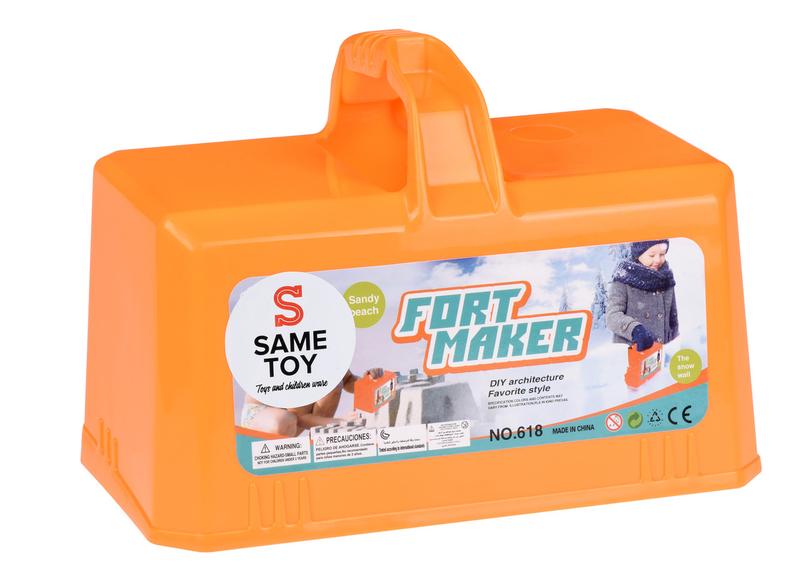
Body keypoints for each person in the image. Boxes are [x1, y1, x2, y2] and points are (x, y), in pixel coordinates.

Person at [239, 369, 383, 437]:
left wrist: (367, 382)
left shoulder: (327, 349)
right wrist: (340, 422)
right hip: (260, 415)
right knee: (285, 420)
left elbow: (348, 380)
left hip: (293, 417)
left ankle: (320, 438)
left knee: (335, 382)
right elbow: (299, 418)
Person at [606, 240, 679, 351]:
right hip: (632, 351)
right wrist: (634, 329)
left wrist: (675, 345)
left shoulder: (666, 279)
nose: (657, 260)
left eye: (662, 254)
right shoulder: (624, 278)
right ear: (638, 254)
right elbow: (612, 316)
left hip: (663, 351)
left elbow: (673, 320)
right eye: (652, 255)